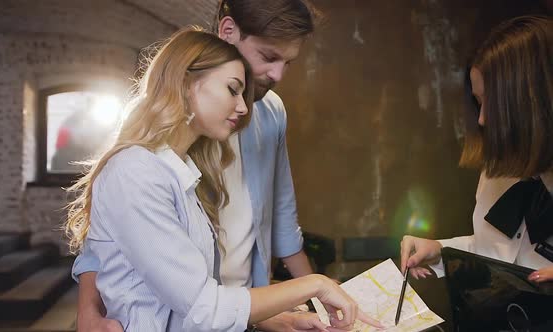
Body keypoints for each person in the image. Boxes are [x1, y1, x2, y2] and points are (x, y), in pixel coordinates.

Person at [65, 28, 380, 332]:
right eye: (233, 89)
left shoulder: (182, 170)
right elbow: (203, 307)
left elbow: (187, 299)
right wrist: (315, 285)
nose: (243, 107)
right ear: (188, 83)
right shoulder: (135, 172)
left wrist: (274, 319)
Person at [400, 16, 553, 283]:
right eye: (478, 102)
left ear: (535, 98)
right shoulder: (499, 171)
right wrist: (439, 250)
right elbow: (498, 252)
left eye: (492, 102)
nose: (482, 119)